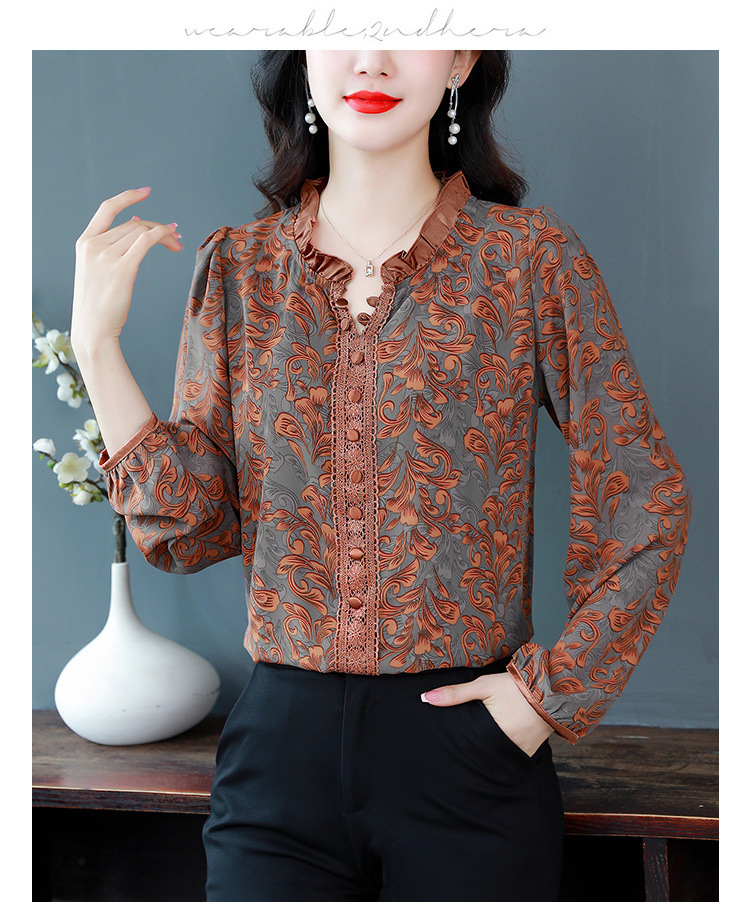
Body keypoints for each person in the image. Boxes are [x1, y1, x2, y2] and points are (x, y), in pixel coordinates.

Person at [70, 50, 693, 902]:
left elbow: (644, 492)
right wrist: (96, 349)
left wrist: (544, 700)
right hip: (278, 761)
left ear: (461, 59)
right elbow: (194, 530)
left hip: (469, 756)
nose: (372, 56)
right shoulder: (240, 269)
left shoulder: (529, 260)